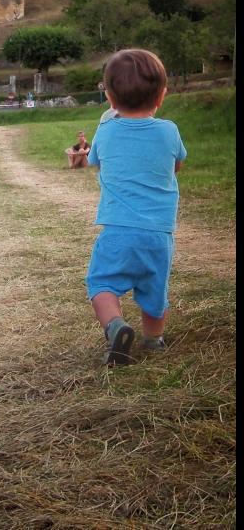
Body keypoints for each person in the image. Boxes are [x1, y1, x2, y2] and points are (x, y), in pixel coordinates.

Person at [85, 49, 187, 366]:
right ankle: (153, 340)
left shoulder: (106, 130)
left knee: (101, 284)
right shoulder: (169, 130)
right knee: (155, 294)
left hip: (118, 232)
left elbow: (93, 162)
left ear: (110, 98)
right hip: (159, 235)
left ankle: (115, 326)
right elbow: (177, 165)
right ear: (162, 96)